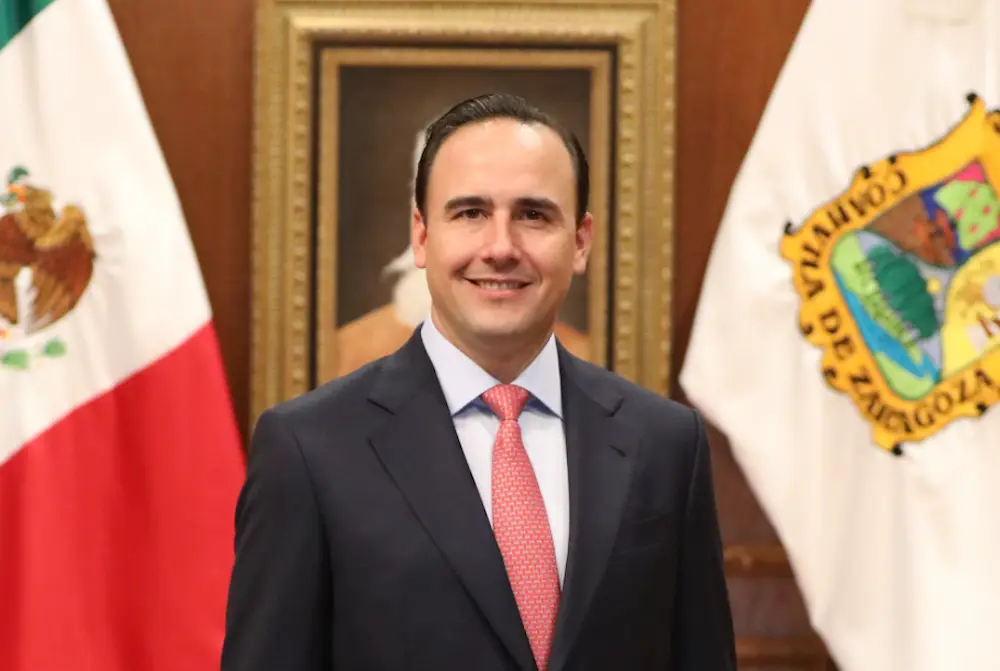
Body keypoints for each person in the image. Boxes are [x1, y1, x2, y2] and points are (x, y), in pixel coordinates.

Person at [221, 92, 736, 671]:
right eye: (470, 213)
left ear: (580, 241)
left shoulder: (666, 444)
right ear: (421, 236)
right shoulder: (308, 449)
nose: (500, 248)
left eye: (533, 215)